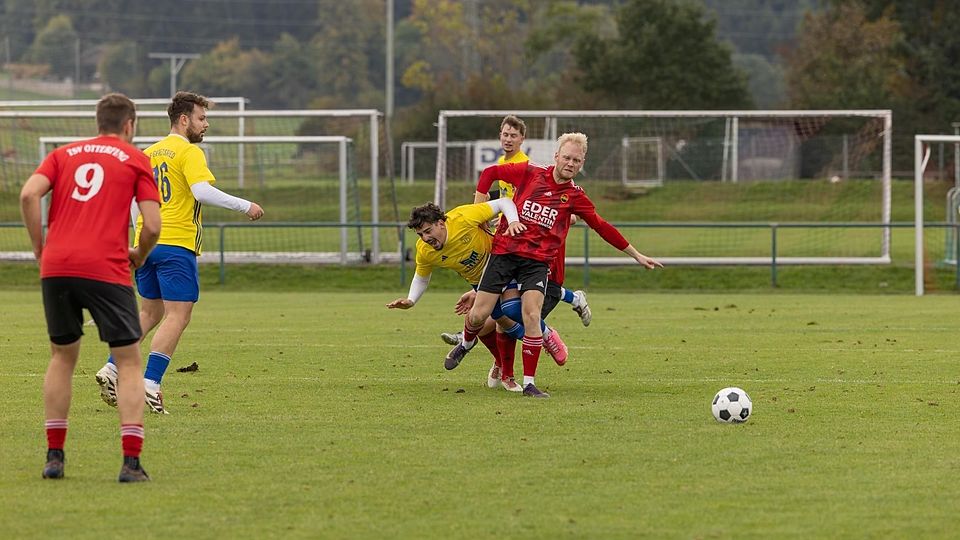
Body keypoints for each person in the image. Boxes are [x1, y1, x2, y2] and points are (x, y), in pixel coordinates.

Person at [445, 132, 663, 398]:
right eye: (567, 157)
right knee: (479, 315)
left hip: (537, 263)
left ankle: (529, 384)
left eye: (577, 160)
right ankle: (466, 344)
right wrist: (478, 210)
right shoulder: (529, 172)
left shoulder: (575, 196)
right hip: (504, 253)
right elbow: (490, 172)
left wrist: (636, 254)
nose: (571, 163)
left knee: (531, 314)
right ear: (556, 156)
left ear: (581, 165)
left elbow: (601, 226)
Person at [20, 93, 161, 482]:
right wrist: (140, 253)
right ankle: (130, 463)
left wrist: (38, 247)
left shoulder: (63, 154)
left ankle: (54, 458)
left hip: (58, 266)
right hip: (106, 267)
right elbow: (152, 225)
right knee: (129, 361)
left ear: (98, 122)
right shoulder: (136, 159)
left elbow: (29, 194)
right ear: (129, 125)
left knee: (62, 357)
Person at [95, 91, 264, 414]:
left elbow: (133, 202)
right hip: (175, 244)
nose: (206, 124)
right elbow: (201, 191)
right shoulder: (187, 151)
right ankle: (150, 384)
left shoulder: (147, 153)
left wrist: (139, 240)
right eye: (202, 118)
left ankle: (113, 368)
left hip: (148, 240)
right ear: (184, 119)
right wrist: (246, 206)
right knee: (178, 315)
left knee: (150, 313)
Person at [387, 200, 567, 392]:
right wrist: (411, 300)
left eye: (428, 231)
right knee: (479, 318)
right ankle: (468, 344)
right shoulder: (425, 250)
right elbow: (422, 277)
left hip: (504, 266)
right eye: (420, 234)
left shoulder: (463, 217)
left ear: (441, 223)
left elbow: (504, 202)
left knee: (513, 310)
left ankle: (545, 337)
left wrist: (513, 221)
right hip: (481, 285)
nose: (425, 238)